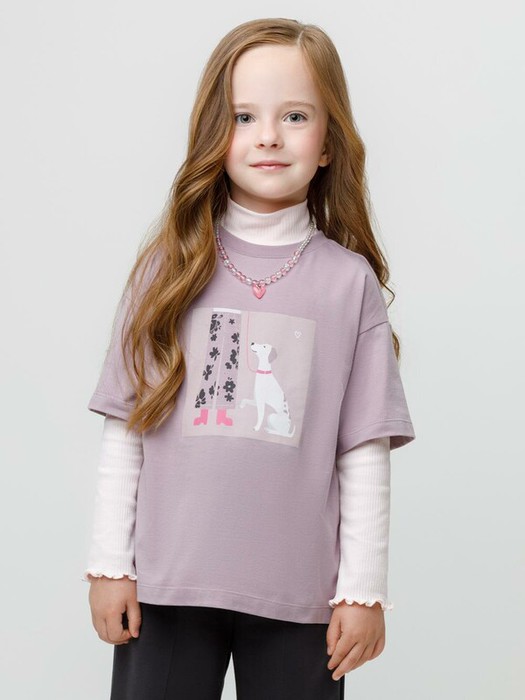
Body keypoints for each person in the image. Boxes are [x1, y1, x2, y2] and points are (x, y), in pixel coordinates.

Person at [82, 17, 416, 700]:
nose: (268, 136)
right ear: (215, 133)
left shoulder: (347, 283)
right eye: (243, 116)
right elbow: (127, 427)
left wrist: (362, 591)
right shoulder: (168, 269)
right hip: (168, 585)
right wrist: (109, 564)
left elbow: (362, 449)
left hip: (299, 592)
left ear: (329, 142)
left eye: (295, 116)